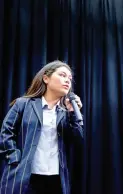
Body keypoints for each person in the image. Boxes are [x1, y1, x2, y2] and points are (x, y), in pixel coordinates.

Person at [0, 60, 84, 194]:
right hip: (26, 176)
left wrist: (73, 113)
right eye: (62, 75)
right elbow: (6, 133)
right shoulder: (24, 104)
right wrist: (15, 159)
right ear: (46, 78)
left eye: (70, 78)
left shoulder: (65, 113)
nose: (67, 81)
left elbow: (77, 140)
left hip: (56, 179)